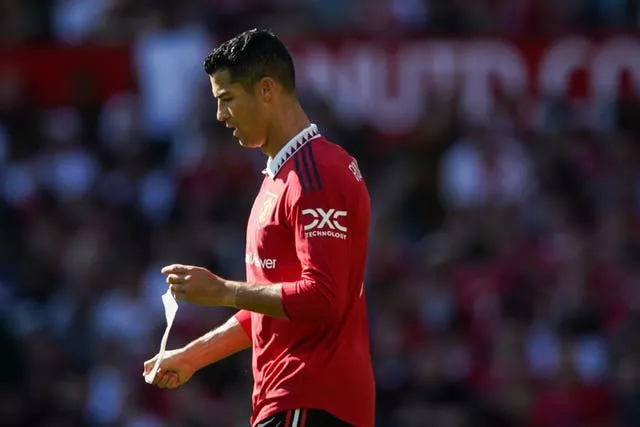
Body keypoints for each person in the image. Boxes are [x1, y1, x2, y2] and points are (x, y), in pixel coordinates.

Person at [143, 29, 375, 427]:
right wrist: (194, 356)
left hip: (309, 398)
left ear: (266, 90)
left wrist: (222, 291)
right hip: (291, 401)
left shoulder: (314, 174)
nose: (220, 116)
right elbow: (274, 305)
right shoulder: (282, 176)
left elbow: (323, 297)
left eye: (227, 99)